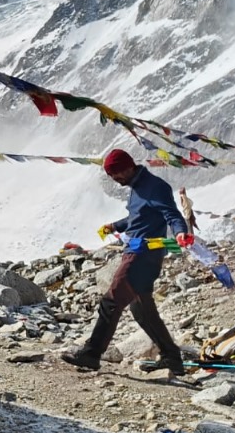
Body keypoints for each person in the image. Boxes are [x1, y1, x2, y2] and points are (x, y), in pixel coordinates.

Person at [62, 149, 193, 375]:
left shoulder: (155, 187)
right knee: (142, 311)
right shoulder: (136, 188)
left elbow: (171, 214)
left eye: (117, 174)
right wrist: (115, 226)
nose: (115, 179)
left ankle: (91, 354)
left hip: (143, 255)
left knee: (111, 301)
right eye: (111, 176)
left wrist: (180, 232)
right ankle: (172, 358)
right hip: (136, 252)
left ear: (129, 166)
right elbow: (137, 218)